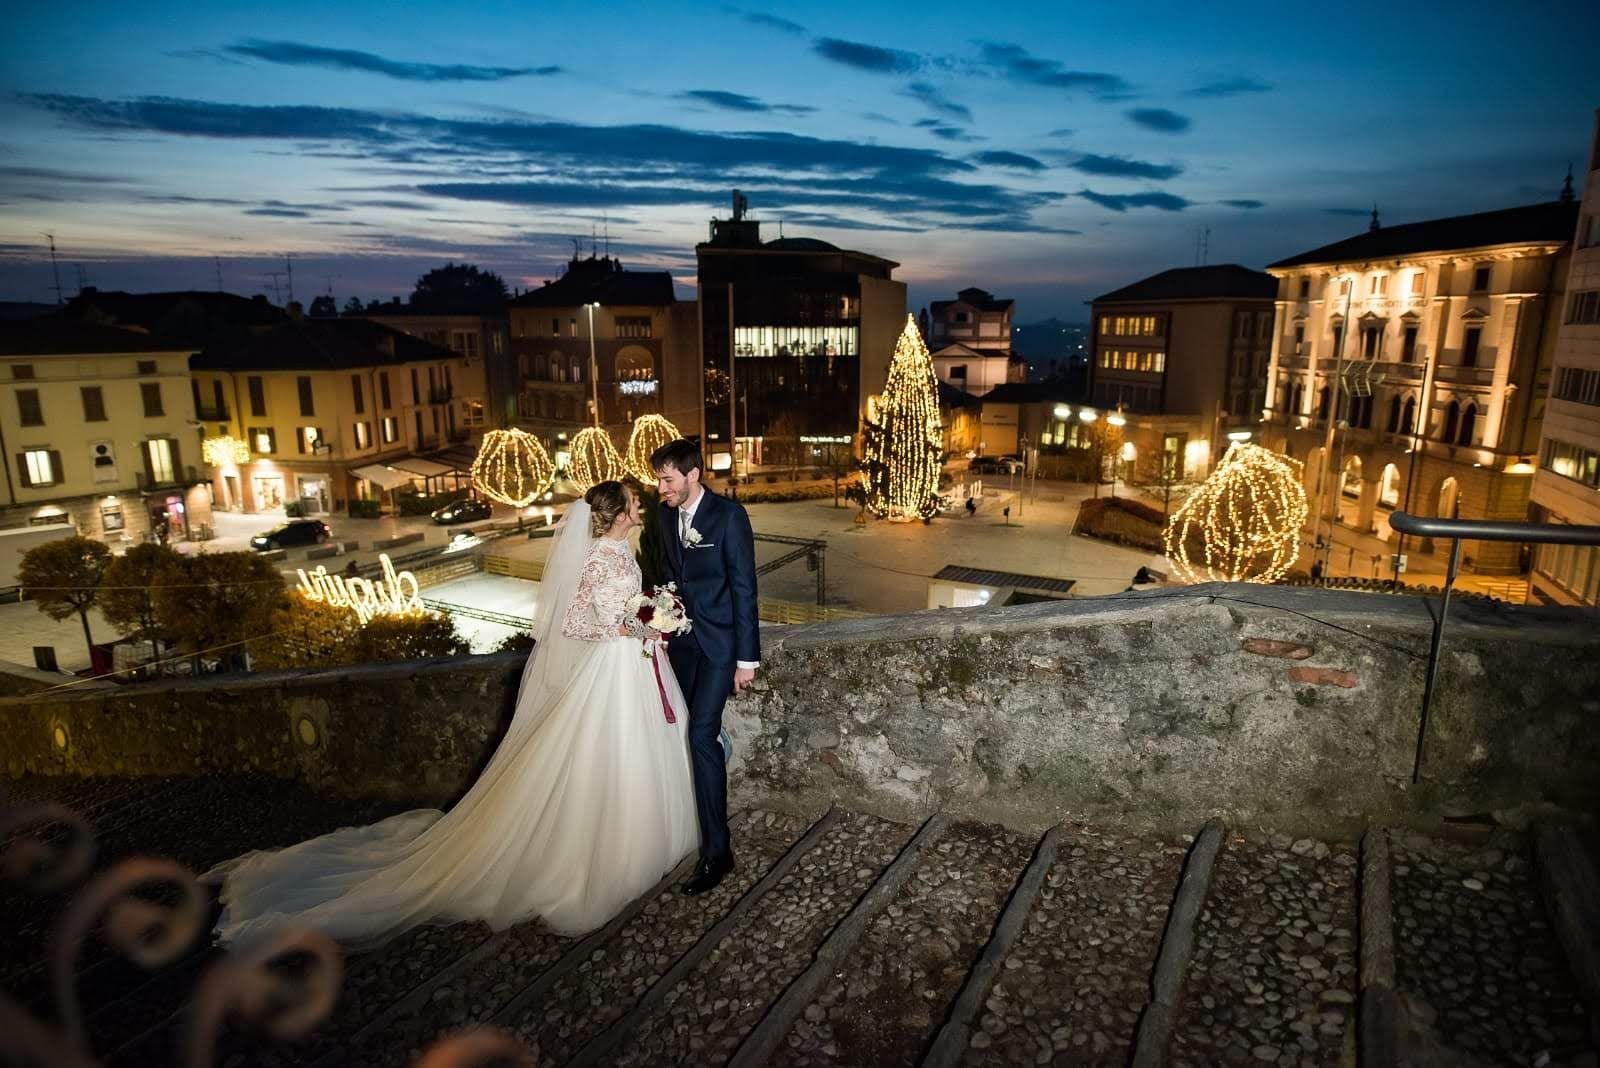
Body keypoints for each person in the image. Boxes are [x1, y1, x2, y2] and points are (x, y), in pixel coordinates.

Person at [201, 481, 696, 948]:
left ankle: (648, 845)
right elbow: (570, 623)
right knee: (607, 758)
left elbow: (627, 606)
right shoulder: (596, 559)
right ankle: (601, 861)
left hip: (635, 666)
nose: (640, 504)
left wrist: (650, 616)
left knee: (638, 754)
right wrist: (628, 629)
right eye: (632, 501)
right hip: (611, 670)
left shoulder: (622, 551)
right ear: (617, 515)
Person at [652, 439, 760, 896]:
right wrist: (659, 619)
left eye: (667, 479)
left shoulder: (729, 517)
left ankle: (718, 852)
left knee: (700, 734)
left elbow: (744, 588)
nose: (661, 488)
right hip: (681, 646)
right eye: (659, 480)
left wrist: (746, 660)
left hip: (720, 648)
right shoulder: (663, 516)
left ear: (693, 475)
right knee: (695, 734)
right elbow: (668, 577)